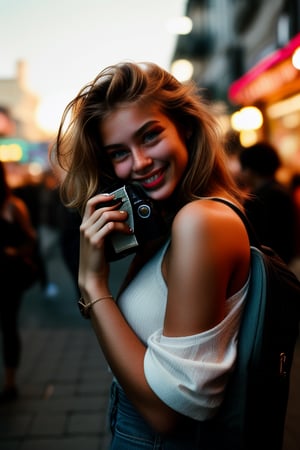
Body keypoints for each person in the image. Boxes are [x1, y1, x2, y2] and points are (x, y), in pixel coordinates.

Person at [51, 61, 251, 449]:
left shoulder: (200, 222)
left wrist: (92, 284)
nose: (139, 163)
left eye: (150, 136)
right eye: (118, 153)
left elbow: (167, 413)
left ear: (185, 127)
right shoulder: (181, 216)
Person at [0, 160, 37, 401]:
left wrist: (13, 252)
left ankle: (10, 381)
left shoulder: (13, 206)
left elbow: (30, 239)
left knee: (8, 325)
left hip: (8, 276)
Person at [239, 141, 296, 264]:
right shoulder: (279, 190)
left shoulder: (265, 196)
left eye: (243, 169)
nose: (241, 174)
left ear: (250, 170)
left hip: (270, 266)